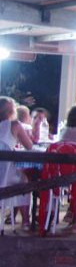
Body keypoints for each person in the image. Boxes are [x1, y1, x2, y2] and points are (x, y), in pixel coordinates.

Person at [0, 97, 34, 229]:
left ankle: (12, 216)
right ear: (11, 111)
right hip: (4, 174)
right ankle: (25, 220)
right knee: (24, 180)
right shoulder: (14, 125)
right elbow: (29, 146)